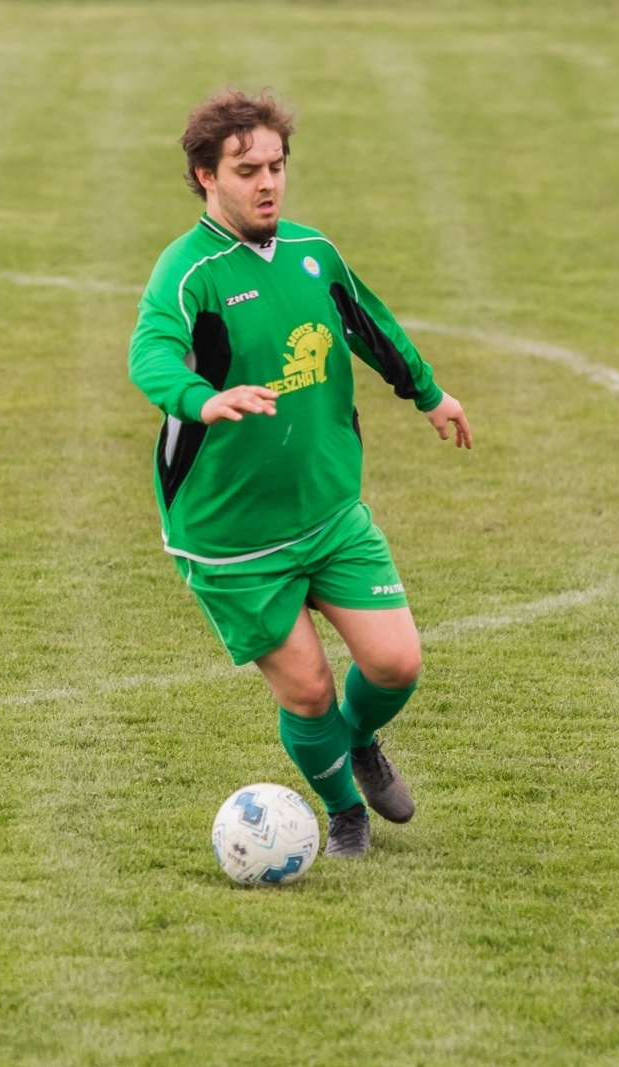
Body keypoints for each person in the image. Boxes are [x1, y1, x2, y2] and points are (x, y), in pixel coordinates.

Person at [128, 89, 473, 859]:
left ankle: (358, 741)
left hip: (327, 510)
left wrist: (429, 393)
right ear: (205, 177)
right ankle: (344, 811)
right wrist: (204, 398)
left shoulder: (314, 252)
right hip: (231, 538)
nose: (268, 183)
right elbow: (149, 353)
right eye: (247, 169)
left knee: (396, 662)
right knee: (310, 689)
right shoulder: (191, 273)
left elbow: (371, 325)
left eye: (277, 166)